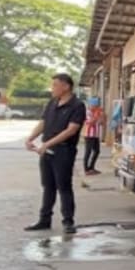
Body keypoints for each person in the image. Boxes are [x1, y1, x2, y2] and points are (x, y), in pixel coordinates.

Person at [24, 73, 86, 235]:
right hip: (47, 150)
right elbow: (43, 123)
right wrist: (31, 137)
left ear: (66, 86)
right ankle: (44, 219)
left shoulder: (77, 105)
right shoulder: (52, 103)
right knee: (48, 186)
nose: (52, 89)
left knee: (64, 186)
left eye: (55, 85)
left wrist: (47, 144)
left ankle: (68, 221)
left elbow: (71, 130)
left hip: (64, 151)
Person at [83, 96, 105, 176]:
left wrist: (102, 117)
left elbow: (101, 123)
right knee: (88, 152)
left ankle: (91, 168)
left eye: (97, 106)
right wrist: (97, 115)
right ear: (91, 105)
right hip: (89, 135)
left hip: (96, 135)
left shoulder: (97, 112)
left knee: (97, 151)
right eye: (95, 106)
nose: (97, 107)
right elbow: (90, 122)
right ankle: (86, 170)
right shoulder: (87, 112)